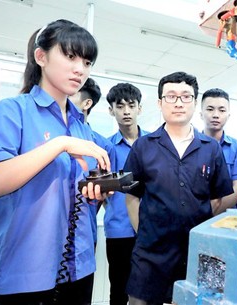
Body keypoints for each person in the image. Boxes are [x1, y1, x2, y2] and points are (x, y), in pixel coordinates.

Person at [0, 19, 110, 305]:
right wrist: (60, 144)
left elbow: (76, 199)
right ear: (41, 56)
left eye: (87, 61)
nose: (80, 69)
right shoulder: (10, 112)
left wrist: (98, 192)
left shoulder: (81, 127)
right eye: (70, 56)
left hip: (80, 267)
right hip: (27, 271)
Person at [123, 71, 234, 305]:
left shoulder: (211, 148)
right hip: (150, 253)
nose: (179, 103)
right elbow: (132, 197)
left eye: (186, 97)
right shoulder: (143, 146)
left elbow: (217, 199)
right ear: (160, 103)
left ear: (195, 103)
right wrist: (144, 232)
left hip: (195, 251)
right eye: (171, 96)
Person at [103, 82, 149, 305]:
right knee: (119, 290)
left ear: (140, 108)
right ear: (111, 110)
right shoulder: (106, 148)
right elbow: (103, 190)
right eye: (120, 107)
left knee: (150, 290)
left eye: (131, 106)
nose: (126, 111)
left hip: (151, 230)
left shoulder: (154, 143)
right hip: (119, 231)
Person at [69, 77, 116, 247]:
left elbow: (103, 195)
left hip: (83, 230)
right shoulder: (52, 135)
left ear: (86, 104)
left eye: (71, 94)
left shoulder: (103, 146)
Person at [200, 88, 237, 212]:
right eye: (210, 109)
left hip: (225, 220)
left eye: (222, 110)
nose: (216, 115)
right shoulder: (190, 145)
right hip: (191, 220)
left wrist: (208, 214)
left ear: (228, 115)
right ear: (201, 114)